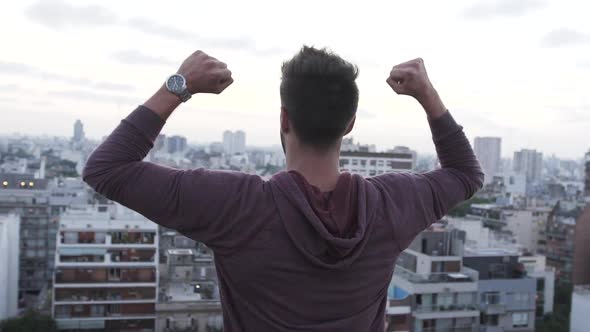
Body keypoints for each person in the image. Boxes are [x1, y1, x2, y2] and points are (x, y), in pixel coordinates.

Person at [83, 46, 484, 331]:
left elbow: (107, 169)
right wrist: (427, 95)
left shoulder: (236, 206)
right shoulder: (392, 204)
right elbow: (466, 174)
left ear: (284, 119)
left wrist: (179, 85)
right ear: (349, 124)